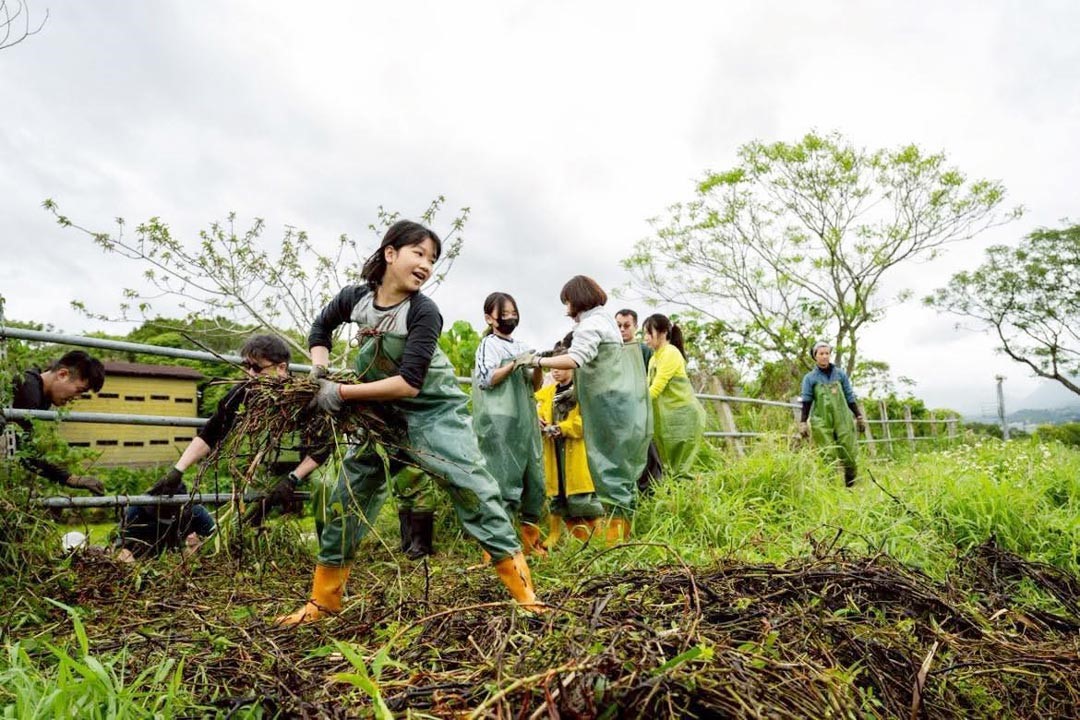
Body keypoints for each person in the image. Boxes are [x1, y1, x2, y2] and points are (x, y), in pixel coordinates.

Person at [283, 219, 543, 625]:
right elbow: (321, 328)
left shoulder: (423, 311)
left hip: (434, 413)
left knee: (473, 488)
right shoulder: (356, 299)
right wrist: (319, 372)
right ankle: (323, 601)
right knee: (345, 496)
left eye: (432, 259)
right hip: (379, 414)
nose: (426, 265)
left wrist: (342, 393)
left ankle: (526, 597)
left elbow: (408, 383)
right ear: (391, 254)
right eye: (418, 253)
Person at [518, 276, 650, 544]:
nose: (566, 308)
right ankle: (622, 537)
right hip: (622, 401)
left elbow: (576, 358)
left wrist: (537, 360)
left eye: (567, 301)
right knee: (620, 470)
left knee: (609, 467)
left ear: (575, 299)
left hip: (607, 404)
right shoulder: (606, 321)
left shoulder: (590, 325)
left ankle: (615, 540)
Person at [146, 334, 329, 525]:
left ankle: (329, 553)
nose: (250, 374)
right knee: (246, 516)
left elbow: (323, 447)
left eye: (257, 368)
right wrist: (178, 470)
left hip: (311, 465)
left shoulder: (305, 397)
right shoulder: (244, 392)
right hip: (271, 467)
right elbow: (212, 432)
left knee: (324, 486)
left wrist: (294, 477)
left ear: (281, 368)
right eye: (246, 366)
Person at [472, 291, 547, 557]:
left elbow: (535, 386)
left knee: (533, 479)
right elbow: (486, 379)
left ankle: (529, 543)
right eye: (504, 314)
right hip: (498, 422)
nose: (510, 317)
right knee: (503, 481)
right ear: (489, 318)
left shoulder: (521, 344)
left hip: (523, 420)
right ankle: (497, 549)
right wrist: (514, 364)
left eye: (513, 313)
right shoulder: (488, 345)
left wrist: (536, 365)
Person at [6, 350, 106, 495]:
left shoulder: (40, 396)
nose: (77, 397)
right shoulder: (28, 389)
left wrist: (71, 478)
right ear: (62, 374)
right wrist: (70, 479)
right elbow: (25, 453)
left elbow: (22, 450)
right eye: (79, 390)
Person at [534, 335, 602, 547]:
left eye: (561, 366)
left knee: (583, 499)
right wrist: (538, 419)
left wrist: (562, 428)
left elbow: (586, 421)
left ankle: (598, 535)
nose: (556, 370)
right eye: (553, 366)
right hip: (554, 452)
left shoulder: (582, 391)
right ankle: (555, 535)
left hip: (575, 450)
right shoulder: (547, 393)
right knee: (557, 496)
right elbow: (533, 406)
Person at [642, 314, 706, 477]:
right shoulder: (654, 358)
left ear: (663, 333)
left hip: (681, 415)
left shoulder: (670, 353)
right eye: (644, 334)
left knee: (680, 468)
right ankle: (675, 500)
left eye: (649, 333)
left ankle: (689, 499)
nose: (646, 338)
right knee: (669, 467)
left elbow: (656, 388)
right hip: (667, 418)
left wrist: (635, 405)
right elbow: (646, 387)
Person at [799, 342, 867, 487]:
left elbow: (849, 396)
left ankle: (850, 488)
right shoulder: (810, 378)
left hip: (842, 418)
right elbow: (806, 401)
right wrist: (803, 422)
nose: (824, 356)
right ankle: (830, 489)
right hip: (821, 420)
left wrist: (859, 416)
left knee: (849, 452)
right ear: (815, 356)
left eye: (827, 353)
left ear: (830, 355)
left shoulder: (840, 374)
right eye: (821, 354)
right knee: (828, 455)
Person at [615, 308, 664, 492]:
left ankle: (652, 489)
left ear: (635, 326)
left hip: (642, 408)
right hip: (620, 410)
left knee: (647, 449)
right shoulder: (613, 351)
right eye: (618, 325)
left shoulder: (645, 351)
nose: (622, 330)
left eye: (626, 325)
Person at [114, 483, 217, 560]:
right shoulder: (136, 511)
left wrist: (198, 545)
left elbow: (216, 541)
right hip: (143, 558)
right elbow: (121, 549)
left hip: (180, 560)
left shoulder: (195, 513)